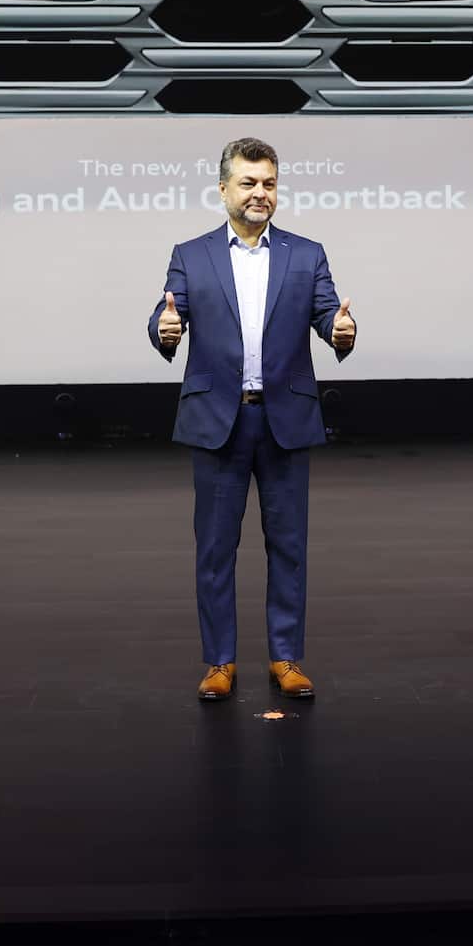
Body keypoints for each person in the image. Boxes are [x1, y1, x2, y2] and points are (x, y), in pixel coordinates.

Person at [150, 137, 355, 702]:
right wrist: (163, 329)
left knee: (288, 547)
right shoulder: (191, 254)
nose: (260, 193)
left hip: (284, 419)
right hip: (219, 420)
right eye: (248, 182)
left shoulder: (306, 253)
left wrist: (341, 331)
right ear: (223, 190)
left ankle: (286, 658)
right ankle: (220, 661)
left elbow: (328, 313)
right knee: (215, 550)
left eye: (268, 183)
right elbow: (166, 312)